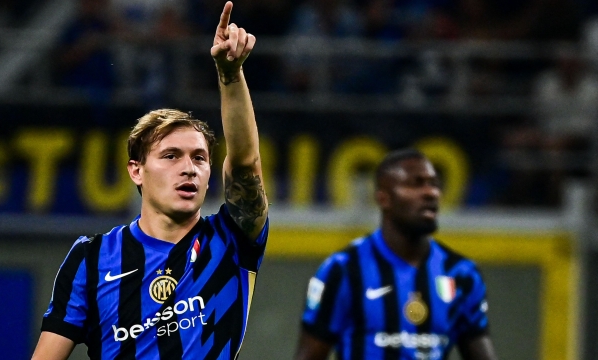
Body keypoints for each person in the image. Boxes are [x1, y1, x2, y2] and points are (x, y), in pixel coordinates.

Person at [32, 2, 268, 359]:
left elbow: (246, 165)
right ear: (136, 170)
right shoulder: (91, 259)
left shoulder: (230, 239)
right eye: (171, 156)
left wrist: (230, 75)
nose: (189, 168)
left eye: (199, 158)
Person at [294, 149, 497, 360]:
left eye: (434, 184)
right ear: (384, 199)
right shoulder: (344, 270)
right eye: (416, 184)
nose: (431, 193)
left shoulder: (461, 274)